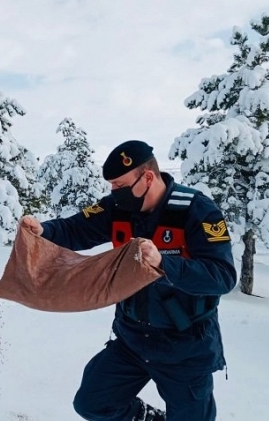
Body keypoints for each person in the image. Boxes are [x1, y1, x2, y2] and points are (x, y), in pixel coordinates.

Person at [21, 140, 236, 421]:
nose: (114, 192)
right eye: (112, 186)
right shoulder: (117, 208)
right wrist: (43, 230)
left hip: (184, 348)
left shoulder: (197, 210)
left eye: (120, 185)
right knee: (92, 403)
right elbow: (76, 228)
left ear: (147, 177)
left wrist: (163, 263)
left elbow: (222, 276)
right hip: (132, 339)